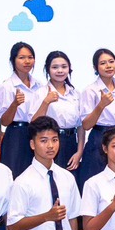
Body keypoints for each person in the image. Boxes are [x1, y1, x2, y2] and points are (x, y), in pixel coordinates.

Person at [78, 48, 115, 186]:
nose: (108, 66)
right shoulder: (90, 91)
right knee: (97, 184)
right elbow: (86, 125)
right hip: (99, 139)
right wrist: (101, 105)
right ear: (95, 68)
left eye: (111, 62)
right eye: (103, 63)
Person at [0, 41, 43, 175]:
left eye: (30, 57)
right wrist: (15, 104)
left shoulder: (39, 85)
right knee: (14, 173)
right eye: (22, 58)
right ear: (13, 60)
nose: (27, 61)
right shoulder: (6, 86)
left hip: (37, 133)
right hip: (16, 135)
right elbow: (4, 122)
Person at [38, 50, 85, 187]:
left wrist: (79, 152)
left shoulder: (75, 93)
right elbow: (34, 122)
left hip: (71, 142)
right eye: (55, 67)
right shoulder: (41, 92)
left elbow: (81, 126)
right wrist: (46, 102)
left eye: (64, 67)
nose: (60, 71)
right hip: (50, 142)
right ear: (47, 69)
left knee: (71, 183)